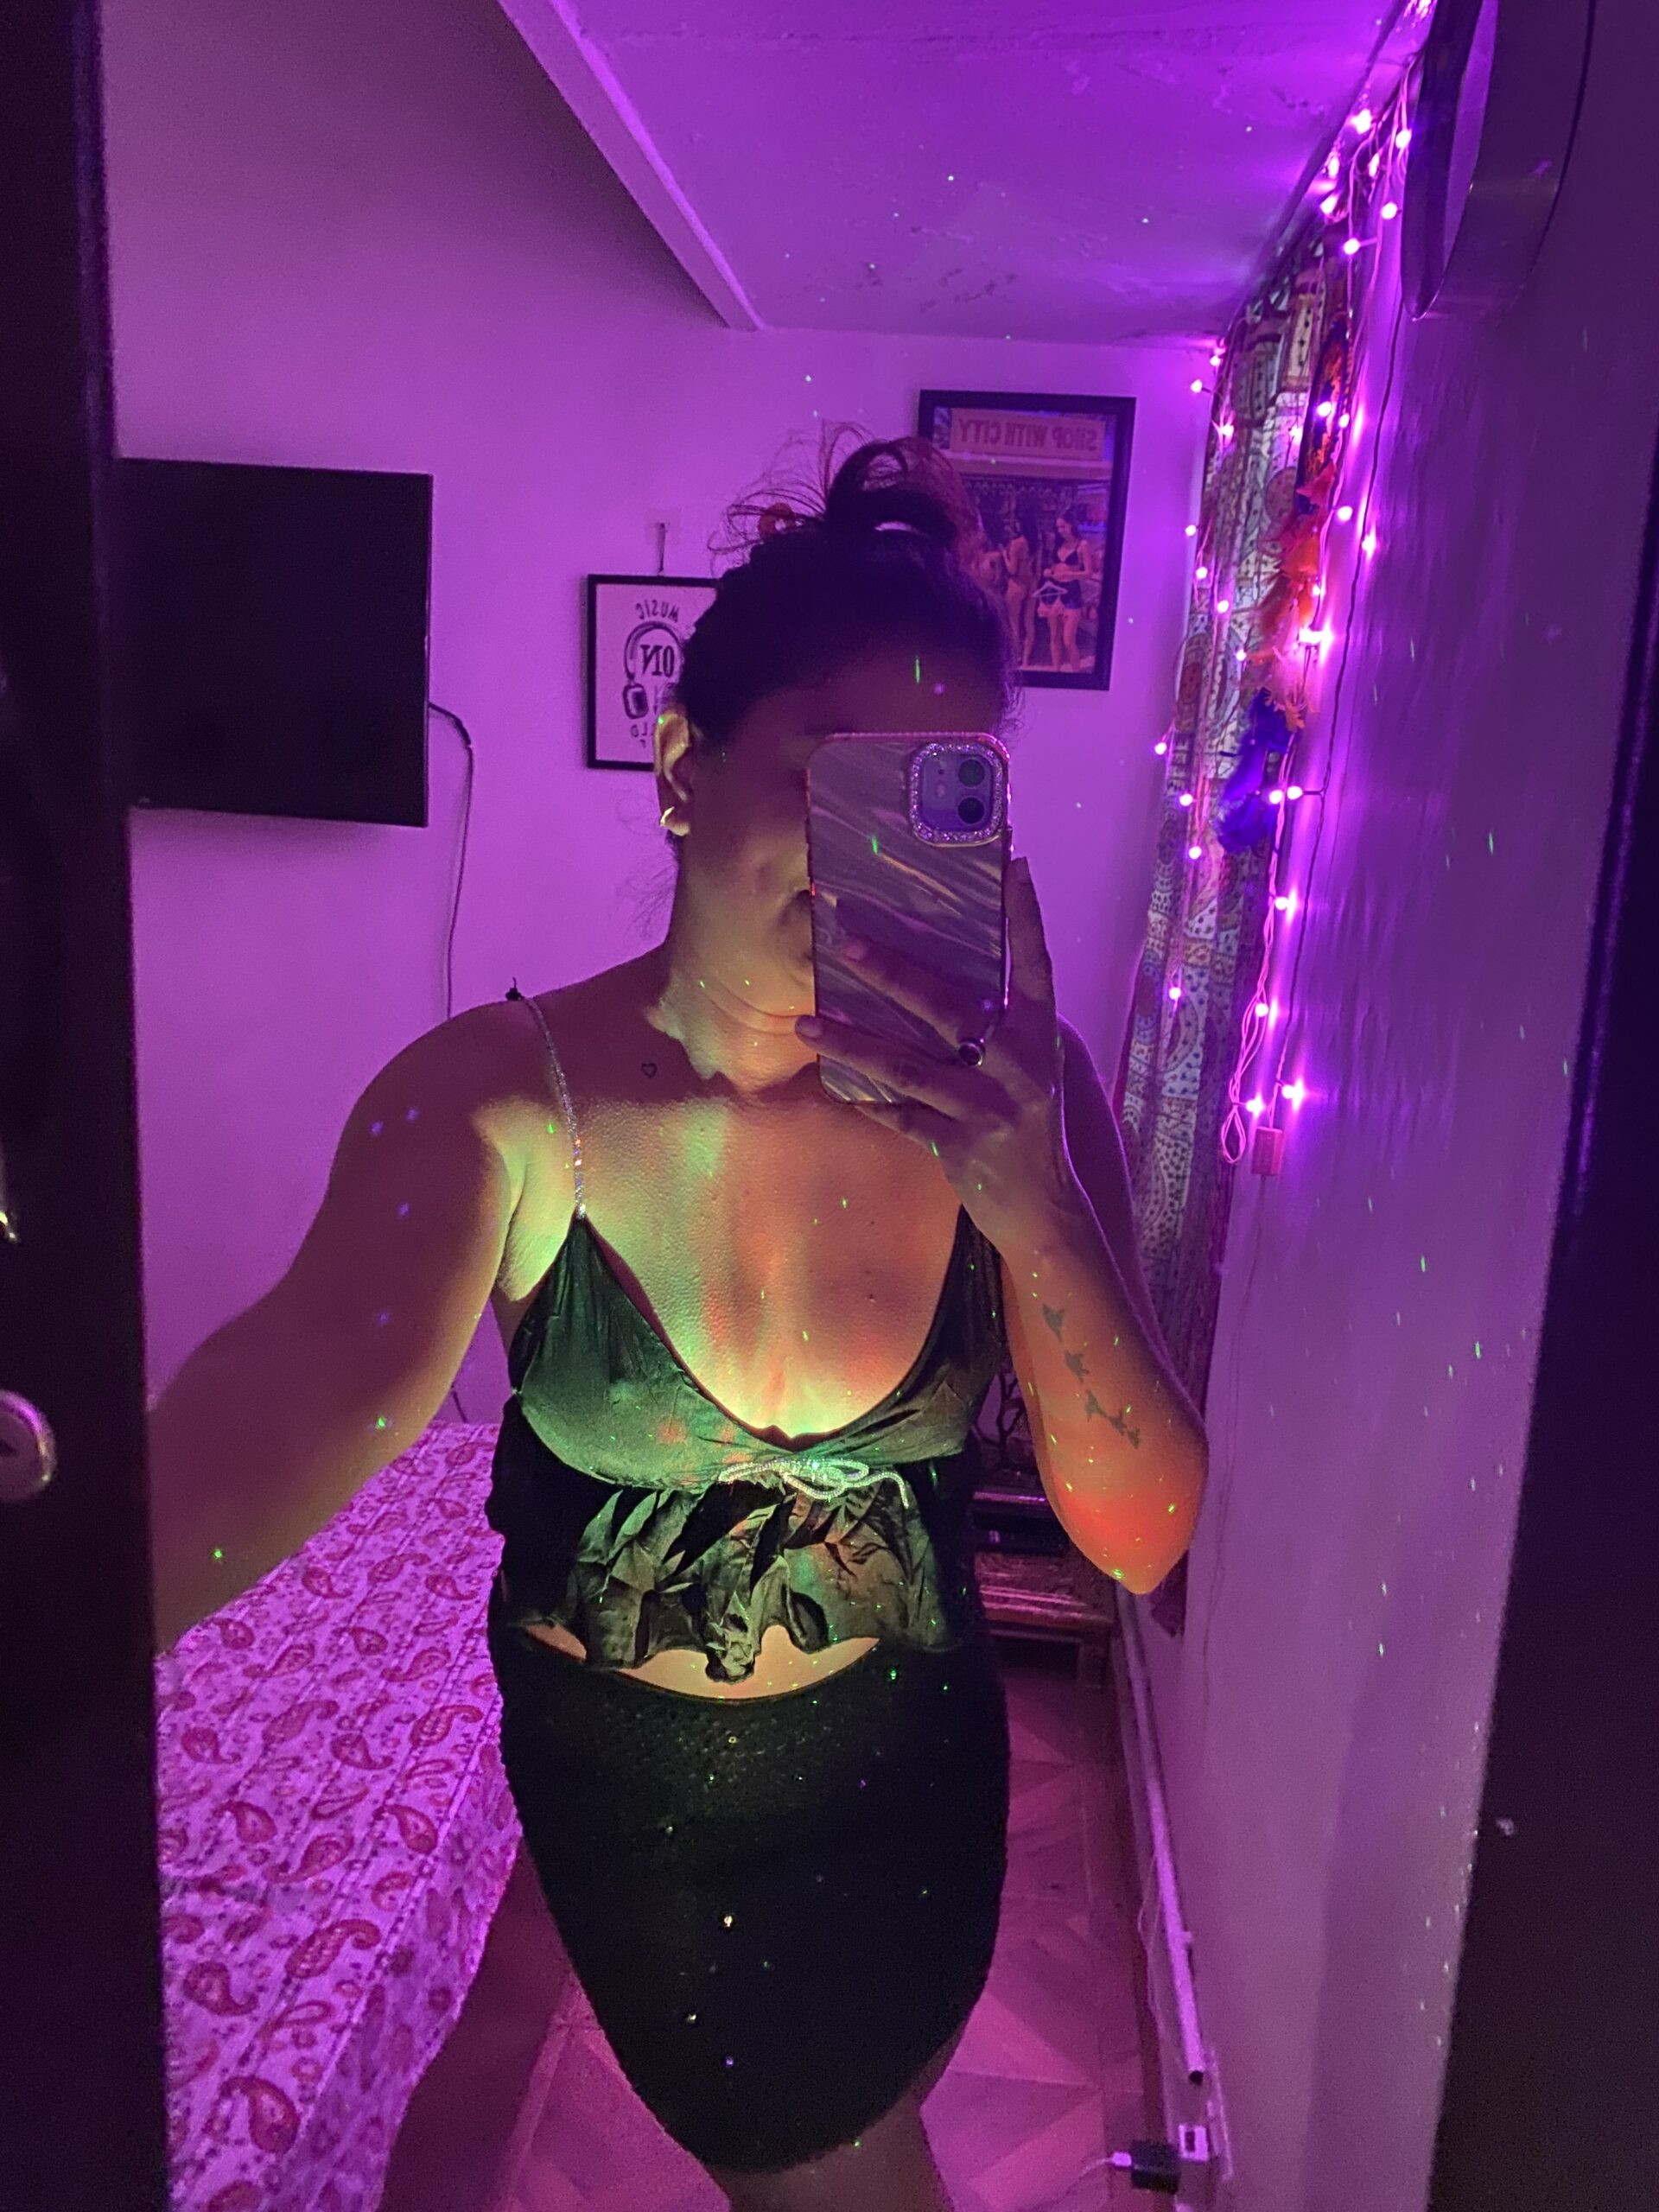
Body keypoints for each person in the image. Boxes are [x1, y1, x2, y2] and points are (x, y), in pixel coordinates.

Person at [148, 431, 1206, 2211]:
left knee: (879, 2111)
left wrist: (1037, 1202)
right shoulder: (497, 1106)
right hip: (655, 1837)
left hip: (925, 1784)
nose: (887, 842)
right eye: (835, 770)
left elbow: (1145, 1535)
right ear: (679, 770)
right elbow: (284, 1395)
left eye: (949, 788)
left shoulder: (1025, 1099)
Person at [1035, 507, 1090, 673]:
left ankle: (1076, 674)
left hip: (1072, 592)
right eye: (1058, 527)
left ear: (1071, 524)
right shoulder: (1058, 544)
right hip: (1055, 590)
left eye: (1063, 526)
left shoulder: (1082, 545)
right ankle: (1056, 671)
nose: (1060, 530)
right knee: (1054, 636)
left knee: (1068, 639)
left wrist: (1070, 574)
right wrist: (1049, 571)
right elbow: (1053, 566)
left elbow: (1088, 572)